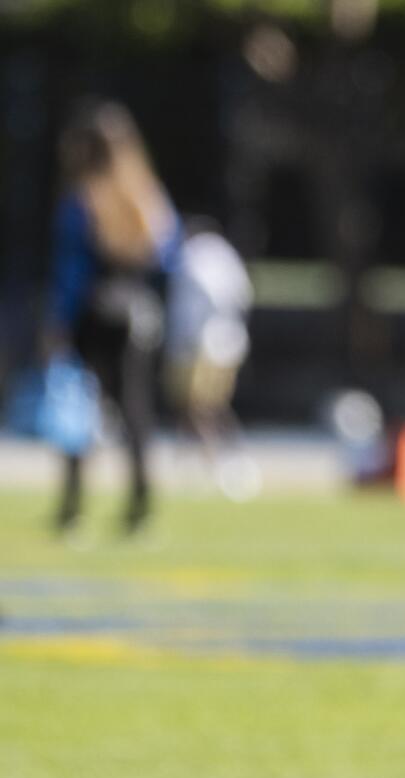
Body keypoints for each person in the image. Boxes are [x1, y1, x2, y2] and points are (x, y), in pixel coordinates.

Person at [42, 98, 182, 536]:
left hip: (92, 314)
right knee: (135, 411)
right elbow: (169, 254)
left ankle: (72, 506)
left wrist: (57, 323)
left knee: (78, 408)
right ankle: (140, 508)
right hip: (136, 314)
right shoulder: (146, 196)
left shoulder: (81, 200)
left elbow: (71, 270)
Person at [165, 217, 259, 500]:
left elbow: (211, 292)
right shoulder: (226, 255)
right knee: (201, 406)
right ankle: (195, 460)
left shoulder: (200, 254)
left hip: (203, 342)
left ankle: (224, 461)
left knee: (202, 407)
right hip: (222, 340)